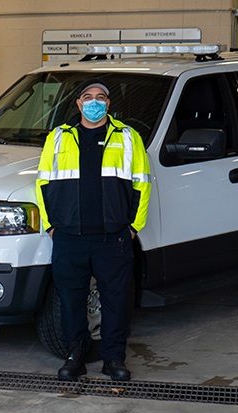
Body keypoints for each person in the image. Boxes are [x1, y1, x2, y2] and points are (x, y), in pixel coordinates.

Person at [36, 78, 151, 382]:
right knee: (71, 301)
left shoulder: (128, 137)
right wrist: (50, 227)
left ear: (109, 104)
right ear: (78, 103)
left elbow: (142, 184)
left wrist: (132, 228)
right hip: (69, 237)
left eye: (101, 97)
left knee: (116, 300)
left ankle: (114, 359)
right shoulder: (58, 138)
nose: (94, 102)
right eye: (88, 97)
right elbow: (43, 184)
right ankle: (75, 356)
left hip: (112, 237)